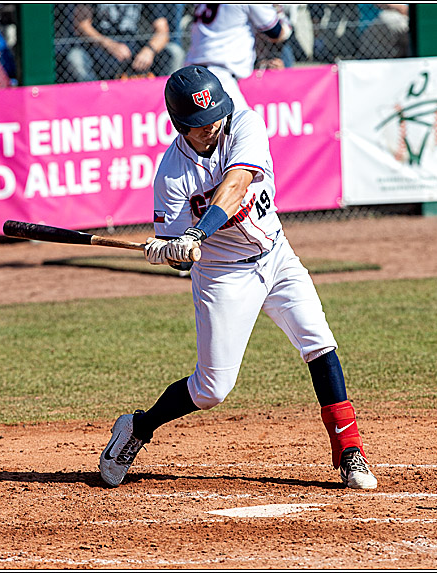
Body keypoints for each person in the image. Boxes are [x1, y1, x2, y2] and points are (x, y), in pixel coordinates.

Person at [98, 66, 378, 490]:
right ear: (179, 125)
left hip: (277, 257)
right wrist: (172, 251)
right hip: (224, 277)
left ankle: (349, 451)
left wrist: (196, 232)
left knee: (318, 342)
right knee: (212, 390)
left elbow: (236, 183)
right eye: (198, 124)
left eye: (214, 117)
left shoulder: (244, 123)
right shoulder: (171, 176)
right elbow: (183, 258)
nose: (210, 128)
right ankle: (139, 427)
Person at [184, 4, 293, 111]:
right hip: (218, 74)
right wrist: (281, 16)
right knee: (246, 124)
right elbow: (275, 32)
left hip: (194, 72)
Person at [64, 4, 185, 82]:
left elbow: (162, 30)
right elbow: (81, 25)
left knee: (175, 52)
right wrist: (109, 45)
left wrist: (149, 50)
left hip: (134, 53)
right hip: (99, 50)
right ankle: (94, 103)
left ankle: (165, 101)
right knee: (76, 58)